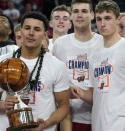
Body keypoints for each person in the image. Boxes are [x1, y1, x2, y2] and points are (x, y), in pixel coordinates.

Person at [0, 11, 70, 131]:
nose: (31, 33)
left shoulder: (57, 65)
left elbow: (64, 106)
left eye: (37, 29)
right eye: (27, 28)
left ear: (45, 34)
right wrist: (3, 104)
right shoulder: (3, 61)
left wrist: (45, 124)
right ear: (20, 31)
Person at [72, 1, 125, 131]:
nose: (102, 24)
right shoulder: (95, 55)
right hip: (98, 123)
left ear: (118, 20)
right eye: (99, 19)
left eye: (107, 18)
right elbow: (95, 94)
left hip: (119, 122)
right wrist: (79, 92)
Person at [52, 0, 104, 131]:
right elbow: (53, 80)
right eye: (75, 11)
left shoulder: (103, 43)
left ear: (92, 15)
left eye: (84, 11)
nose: (79, 15)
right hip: (66, 118)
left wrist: (84, 94)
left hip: (99, 117)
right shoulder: (59, 45)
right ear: (71, 16)